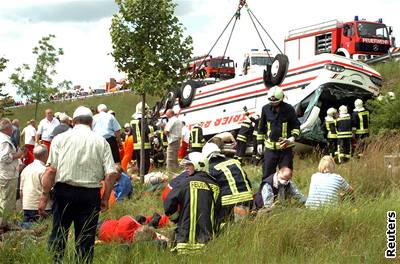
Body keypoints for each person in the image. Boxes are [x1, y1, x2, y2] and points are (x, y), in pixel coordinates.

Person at [38, 106, 118, 263]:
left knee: (59, 234)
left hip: (63, 192)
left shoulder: (60, 139)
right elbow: (112, 174)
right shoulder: (101, 141)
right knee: (86, 239)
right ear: (91, 122)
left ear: (73, 122)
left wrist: (44, 196)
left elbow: (51, 171)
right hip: (90, 194)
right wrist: (105, 198)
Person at [164, 152, 221, 254]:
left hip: (183, 242)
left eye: (189, 165)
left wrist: (176, 218)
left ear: (199, 164)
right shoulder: (215, 187)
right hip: (208, 245)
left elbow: (168, 204)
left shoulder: (185, 183)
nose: (186, 168)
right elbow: (218, 213)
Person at [257, 87, 301, 181]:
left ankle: (285, 194)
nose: (273, 103)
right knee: (267, 175)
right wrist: (259, 143)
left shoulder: (289, 109)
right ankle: (267, 194)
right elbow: (261, 127)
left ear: (281, 99)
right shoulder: (265, 109)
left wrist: (292, 138)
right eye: (271, 101)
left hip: (285, 149)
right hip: (270, 149)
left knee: (285, 175)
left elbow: (296, 126)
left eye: (275, 101)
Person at [203, 142, 253, 222]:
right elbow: (246, 180)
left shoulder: (210, 168)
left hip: (228, 202)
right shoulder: (234, 161)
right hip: (246, 198)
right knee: (242, 225)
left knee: (226, 227)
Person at [19, 144, 52, 227]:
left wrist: (24, 205)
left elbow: (21, 191)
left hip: (27, 206)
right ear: (46, 155)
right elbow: (49, 190)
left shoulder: (26, 169)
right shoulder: (45, 170)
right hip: (42, 209)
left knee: (27, 233)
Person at [0, 118, 24, 217]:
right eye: (11, 128)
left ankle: (4, 221)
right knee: (8, 199)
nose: (13, 130)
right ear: (8, 129)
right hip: (8, 174)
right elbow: (4, 157)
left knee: (3, 198)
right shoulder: (5, 141)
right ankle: (4, 223)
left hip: (4, 173)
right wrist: (17, 155)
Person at [131, 102, 151, 175]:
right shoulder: (143, 120)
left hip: (136, 145)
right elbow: (146, 131)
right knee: (146, 163)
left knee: (140, 162)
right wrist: (153, 128)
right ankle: (144, 177)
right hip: (144, 145)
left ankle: (140, 175)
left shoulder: (133, 121)